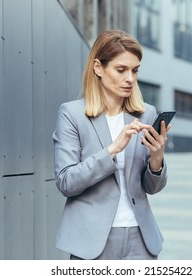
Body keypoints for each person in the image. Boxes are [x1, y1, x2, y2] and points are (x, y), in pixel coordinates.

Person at [52, 30, 171, 260]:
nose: (130, 78)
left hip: (141, 240)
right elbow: (66, 181)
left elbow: (152, 187)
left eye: (135, 70)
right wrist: (112, 150)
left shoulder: (146, 114)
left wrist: (157, 159)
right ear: (98, 68)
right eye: (121, 69)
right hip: (92, 242)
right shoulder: (72, 114)